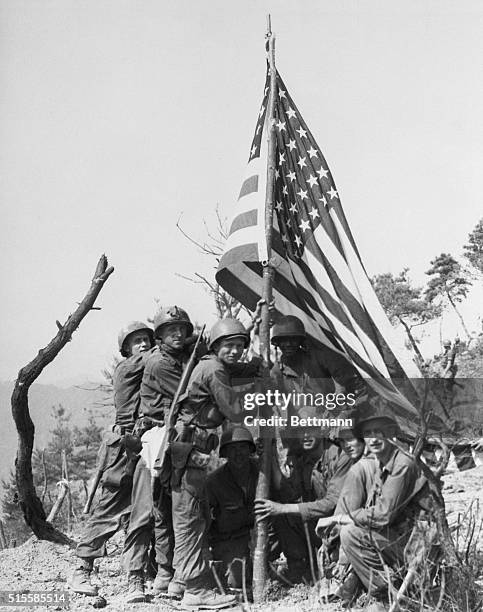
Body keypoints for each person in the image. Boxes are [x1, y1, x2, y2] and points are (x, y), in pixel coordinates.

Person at [170, 318, 260, 611]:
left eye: (239, 346)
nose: (235, 352)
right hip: (191, 452)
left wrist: (255, 366)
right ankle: (196, 590)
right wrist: (262, 395)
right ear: (215, 346)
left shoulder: (211, 363)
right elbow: (233, 410)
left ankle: (181, 581)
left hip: (190, 450)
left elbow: (236, 368)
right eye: (229, 346)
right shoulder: (214, 369)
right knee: (192, 518)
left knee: (193, 515)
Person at [70, 321, 154, 596]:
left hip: (148, 445)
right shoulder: (128, 367)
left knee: (143, 513)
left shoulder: (153, 368)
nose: (143, 344)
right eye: (136, 341)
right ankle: (82, 570)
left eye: (146, 339)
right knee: (108, 509)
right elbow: (155, 357)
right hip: (125, 449)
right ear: (126, 348)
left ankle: (137, 577)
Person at [122, 306, 197, 603]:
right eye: (170, 330)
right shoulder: (158, 363)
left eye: (182, 329)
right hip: (153, 440)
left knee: (169, 509)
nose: (177, 334)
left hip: (172, 439)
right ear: (160, 336)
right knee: (146, 513)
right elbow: (189, 393)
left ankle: (167, 573)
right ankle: (135, 579)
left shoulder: (176, 355)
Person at [316, 414, 429, 608]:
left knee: (352, 534)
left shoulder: (402, 464)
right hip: (402, 537)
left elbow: (383, 515)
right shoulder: (382, 463)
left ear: (391, 434)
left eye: (379, 432)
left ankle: (386, 594)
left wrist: (342, 518)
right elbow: (375, 510)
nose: (374, 439)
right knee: (353, 532)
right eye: (368, 433)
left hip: (418, 542)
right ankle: (385, 588)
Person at [255, 408, 364, 583]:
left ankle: (334, 571)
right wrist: (270, 452)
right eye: (300, 430)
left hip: (339, 525)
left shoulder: (340, 456)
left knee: (285, 510)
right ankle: (300, 570)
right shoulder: (304, 459)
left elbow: (331, 503)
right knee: (283, 516)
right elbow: (288, 493)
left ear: (321, 430)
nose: (305, 435)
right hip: (318, 526)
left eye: (310, 429)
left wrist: (283, 508)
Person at [270, 315, 366, 454]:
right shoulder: (277, 371)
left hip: (332, 426)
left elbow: (357, 387)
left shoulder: (321, 359)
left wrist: (344, 414)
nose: (288, 344)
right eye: (283, 340)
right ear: (277, 343)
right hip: (301, 433)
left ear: (301, 341)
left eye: (293, 339)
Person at [206, 426, 258, 592]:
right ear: (225, 453)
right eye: (232, 449)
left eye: (242, 447)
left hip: (262, 536)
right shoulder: (214, 481)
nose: (238, 453)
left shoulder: (263, 471)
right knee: (237, 581)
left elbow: (286, 495)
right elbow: (204, 518)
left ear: (250, 449)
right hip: (231, 539)